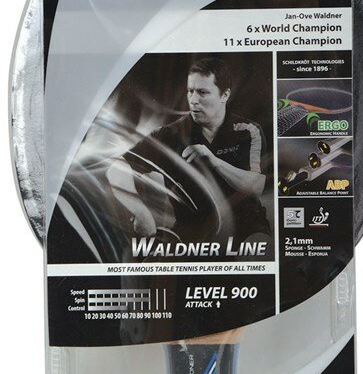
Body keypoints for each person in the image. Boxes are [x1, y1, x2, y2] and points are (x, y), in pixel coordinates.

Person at [107, 57, 271, 246]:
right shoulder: (169, 134)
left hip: (247, 230)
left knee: (261, 252)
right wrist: (140, 211)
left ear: (224, 95)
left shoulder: (248, 130)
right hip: (192, 234)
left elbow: (256, 187)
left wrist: (215, 162)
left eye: (202, 92)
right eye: (190, 91)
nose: (193, 100)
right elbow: (116, 167)